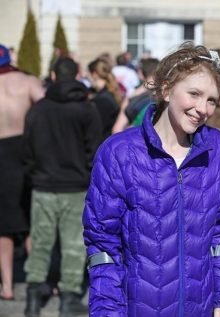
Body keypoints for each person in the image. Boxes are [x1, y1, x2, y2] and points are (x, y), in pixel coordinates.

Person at [83, 43, 220, 316]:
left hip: (200, 307)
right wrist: (107, 310)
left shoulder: (217, 148)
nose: (202, 109)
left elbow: (218, 230)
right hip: (136, 308)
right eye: (194, 94)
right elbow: (103, 243)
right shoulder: (119, 151)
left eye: (211, 100)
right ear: (166, 90)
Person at [23, 57, 102, 317]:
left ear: (53, 76)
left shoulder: (38, 109)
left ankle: (33, 299)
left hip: (43, 185)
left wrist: (37, 171)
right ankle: (68, 299)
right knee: (73, 245)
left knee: (41, 243)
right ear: (78, 74)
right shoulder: (87, 109)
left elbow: (28, 149)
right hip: (76, 186)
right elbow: (95, 149)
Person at [0, 44, 44, 301]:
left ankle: (6, 286)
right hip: (24, 152)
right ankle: (36, 281)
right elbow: (47, 108)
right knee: (31, 220)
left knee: (3, 227)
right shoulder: (26, 81)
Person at [87, 58, 122, 140]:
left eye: (88, 75)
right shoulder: (110, 92)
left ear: (94, 74)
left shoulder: (102, 100)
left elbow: (97, 128)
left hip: (103, 143)